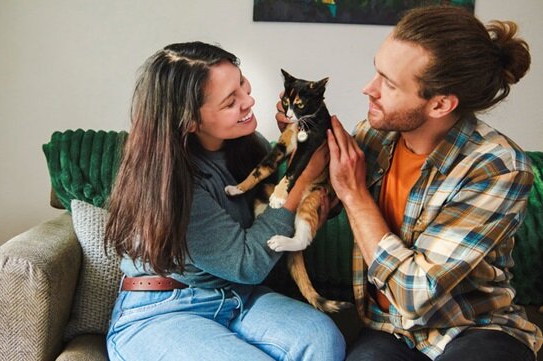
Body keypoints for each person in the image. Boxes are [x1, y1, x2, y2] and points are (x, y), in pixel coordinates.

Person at [299, 5, 542, 361]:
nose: (369, 89)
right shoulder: (375, 136)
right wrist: (303, 144)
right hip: (387, 327)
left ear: (440, 104)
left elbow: (415, 294)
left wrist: (354, 194)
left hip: (474, 328)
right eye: (376, 71)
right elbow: (323, 201)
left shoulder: (497, 167)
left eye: (389, 83)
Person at [103, 41, 346, 361]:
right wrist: (299, 181)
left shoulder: (243, 144)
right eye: (231, 101)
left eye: (243, 83)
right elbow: (247, 263)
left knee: (322, 340)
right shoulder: (173, 184)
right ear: (190, 121)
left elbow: (307, 205)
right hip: (164, 308)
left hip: (234, 295)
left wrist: (297, 148)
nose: (250, 100)